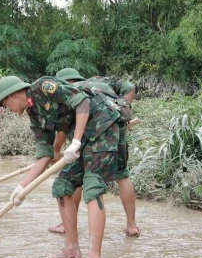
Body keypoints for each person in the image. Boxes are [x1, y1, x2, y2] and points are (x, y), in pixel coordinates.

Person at [0, 75, 123, 258]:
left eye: (5, 105)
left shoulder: (42, 87)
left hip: (103, 127)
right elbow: (44, 156)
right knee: (62, 186)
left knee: (92, 187)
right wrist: (22, 188)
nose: (7, 109)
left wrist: (76, 142)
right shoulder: (34, 116)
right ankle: (71, 249)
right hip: (84, 136)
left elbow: (83, 102)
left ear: (13, 95)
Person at [48, 68, 140, 237]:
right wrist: (122, 110)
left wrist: (55, 151)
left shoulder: (70, 93)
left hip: (95, 134)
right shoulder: (100, 80)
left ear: (65, 83)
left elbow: (61, 130)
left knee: (75, 176)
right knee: (122, 174)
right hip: (116, 126)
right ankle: (132, 225)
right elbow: (130, 87)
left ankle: (67, 224)